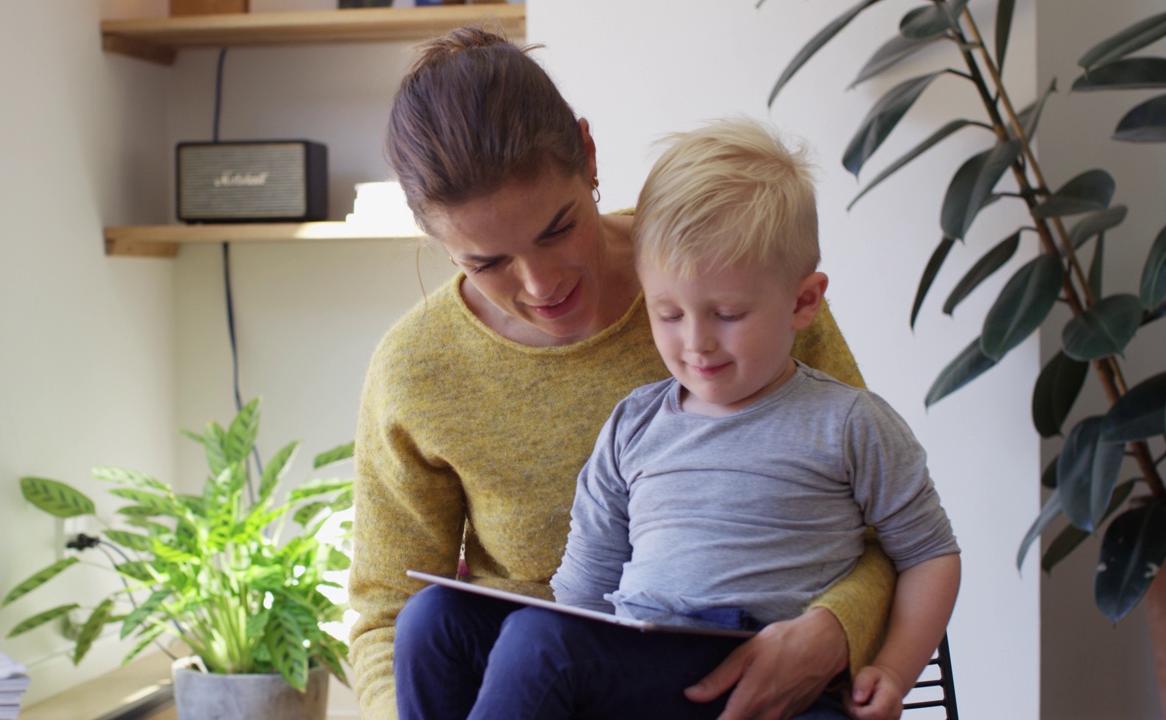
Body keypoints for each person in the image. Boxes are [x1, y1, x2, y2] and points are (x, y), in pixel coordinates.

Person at [348, 26, 897, 720]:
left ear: (589, 154)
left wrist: (830, 634)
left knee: (542, 640)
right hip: (525, 690)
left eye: (557, 228)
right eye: (487, 262)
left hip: (725, 668)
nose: (542, 284)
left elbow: (886, 531)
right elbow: (386, 614)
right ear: (434, 238)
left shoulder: (727, 279)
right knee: (435, 618)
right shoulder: (415, 370)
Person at [434, 118, 962, 720]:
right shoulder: (633, 426)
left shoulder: (848, 423)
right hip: (647, 668)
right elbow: (582, 596)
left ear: (803, 302)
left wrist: (892, 670)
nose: (696, 343)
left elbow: (928, 553)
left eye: (728, 313)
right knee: (446, 623)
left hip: (778, 684)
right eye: (668, 314)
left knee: (538, 643)